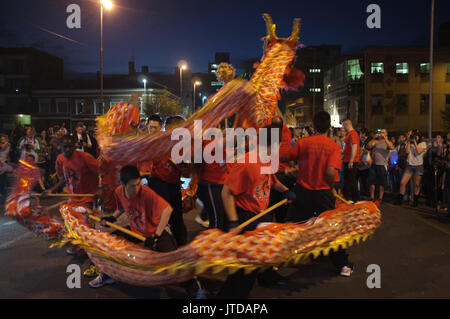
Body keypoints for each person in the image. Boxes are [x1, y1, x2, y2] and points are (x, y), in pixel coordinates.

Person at [217, 122, 294, 298]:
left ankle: (263, 279)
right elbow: (226, 192)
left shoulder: (266, 159)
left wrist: (286, 191)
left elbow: (271, 181)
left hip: (260, 214)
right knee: (246, 269)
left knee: (260, 257)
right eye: (280, 144)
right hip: (245, 217)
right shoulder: (247, 163)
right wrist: (235, 222)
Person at [284, 111, 354, 277]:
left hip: (302, 191)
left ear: (313, 126)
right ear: (329, 127)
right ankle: (342, 265)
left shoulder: (304, 143)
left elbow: (286, 156)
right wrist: (330, 187)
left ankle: (277, 259)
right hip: (323, 192)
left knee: (292, 225)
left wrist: (296, 170)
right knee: (331, 228)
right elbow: (330, 172)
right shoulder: (333, 146)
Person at [89, 165, 176, 288]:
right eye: (132, 186)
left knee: (175, 260)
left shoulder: (146, 193)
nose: (136, 188)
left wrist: (156, 235)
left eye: (138, 184)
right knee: (110, 244)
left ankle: (195, 289)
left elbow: (167, 210)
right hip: (136, 230)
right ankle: (107, 275)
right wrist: (113, 217)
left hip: (154, 231)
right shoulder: (118, 191)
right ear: (123, 184)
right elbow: (121, 208)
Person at [148, 115, 188, 246]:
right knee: (160, 217)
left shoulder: (180, 143)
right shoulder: (159, 141)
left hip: (173, 183)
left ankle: (180, 244)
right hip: (159, 183)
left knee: (176, 216)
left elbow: (184, 166)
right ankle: (158, 243)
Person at [44, 135, 99, 209]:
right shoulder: (60, 159)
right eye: (65, 147)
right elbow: (64, 178)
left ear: (75, 146)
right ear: (60, 146)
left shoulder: (85, 157)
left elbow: (102, 172)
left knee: (82, 219)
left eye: (70, 146)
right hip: (73, 196)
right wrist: (51, 190)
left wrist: (100, 189)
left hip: (87, 197)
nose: (67, 149)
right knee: (71, 218)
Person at [396, 130, 427, 206]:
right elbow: (407, 152)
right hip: (409, 165)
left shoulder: (423, 144)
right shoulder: (408, 142)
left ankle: (415, 201)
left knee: (416, 184)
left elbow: (418, 152)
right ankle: (400, 200)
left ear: (418, 136)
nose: (412, 137)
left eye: (413, 136)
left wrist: (415, 142)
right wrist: (409, 142)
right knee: (403, 182)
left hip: (418, 166)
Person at [366, 129, 394, 203]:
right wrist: (373, 138)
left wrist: (385, 138)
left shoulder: (387, 142)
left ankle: (380, 198)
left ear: (386, 134)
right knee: (371, 182)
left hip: (383, 165)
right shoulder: (375, 141)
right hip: (374, 164)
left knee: (382, 183)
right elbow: (368, 146)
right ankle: (372, 197)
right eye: (380, 132)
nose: (381, 134)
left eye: (383, 132)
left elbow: (391, 147)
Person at [342, 119, 360, 202]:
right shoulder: (350, 134)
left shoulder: (353, 134)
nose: (342, 127)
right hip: (348, 160)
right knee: (349, 180)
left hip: (351, 161)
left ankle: (354, 199)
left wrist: (351, 161)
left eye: (343, 125)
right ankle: (350, 198)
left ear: (346, 124)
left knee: (351, 181)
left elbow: (354, 147)